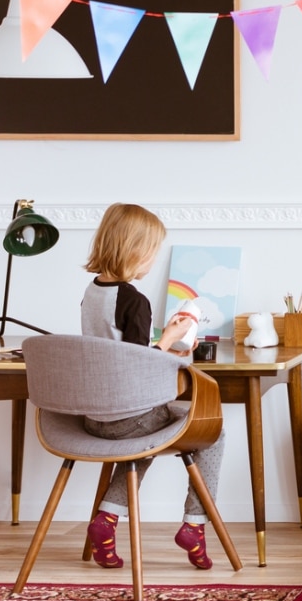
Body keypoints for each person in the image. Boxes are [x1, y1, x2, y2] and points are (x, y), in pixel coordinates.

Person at [80, 202, 223, 570]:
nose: (152, 261)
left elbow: (118, 349)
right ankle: (195, 525)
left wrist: (165, 341)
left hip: (94, 416)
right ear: (135, 251)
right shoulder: (134, 300)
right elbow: (136, 365)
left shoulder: (92, 293)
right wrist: (170, 341)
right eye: (152, 252)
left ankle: (107, 521)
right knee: (211, 429)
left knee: (147, 432)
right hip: (128, 416)